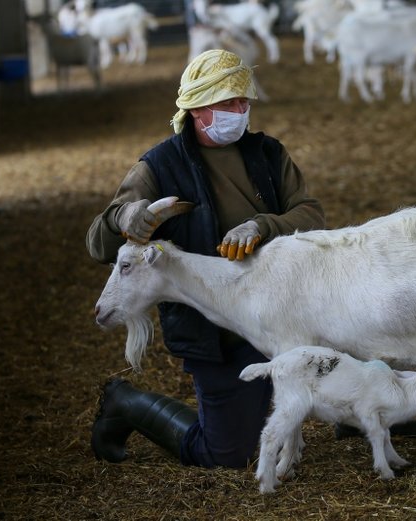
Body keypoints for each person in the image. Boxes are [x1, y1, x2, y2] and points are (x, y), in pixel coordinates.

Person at [86, 49, 325, 468]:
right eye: (229, 103)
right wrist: (124, 216)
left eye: (244, 101)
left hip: (288, 310)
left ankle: (371, 418)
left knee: (359, 360)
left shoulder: (267, 154)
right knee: (225, 454)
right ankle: (128, 403)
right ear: (197, 109)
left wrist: (261, 225)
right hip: (220, 336)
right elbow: (97, 244)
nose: (241, 110)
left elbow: (310, 214)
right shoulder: (158, 167)